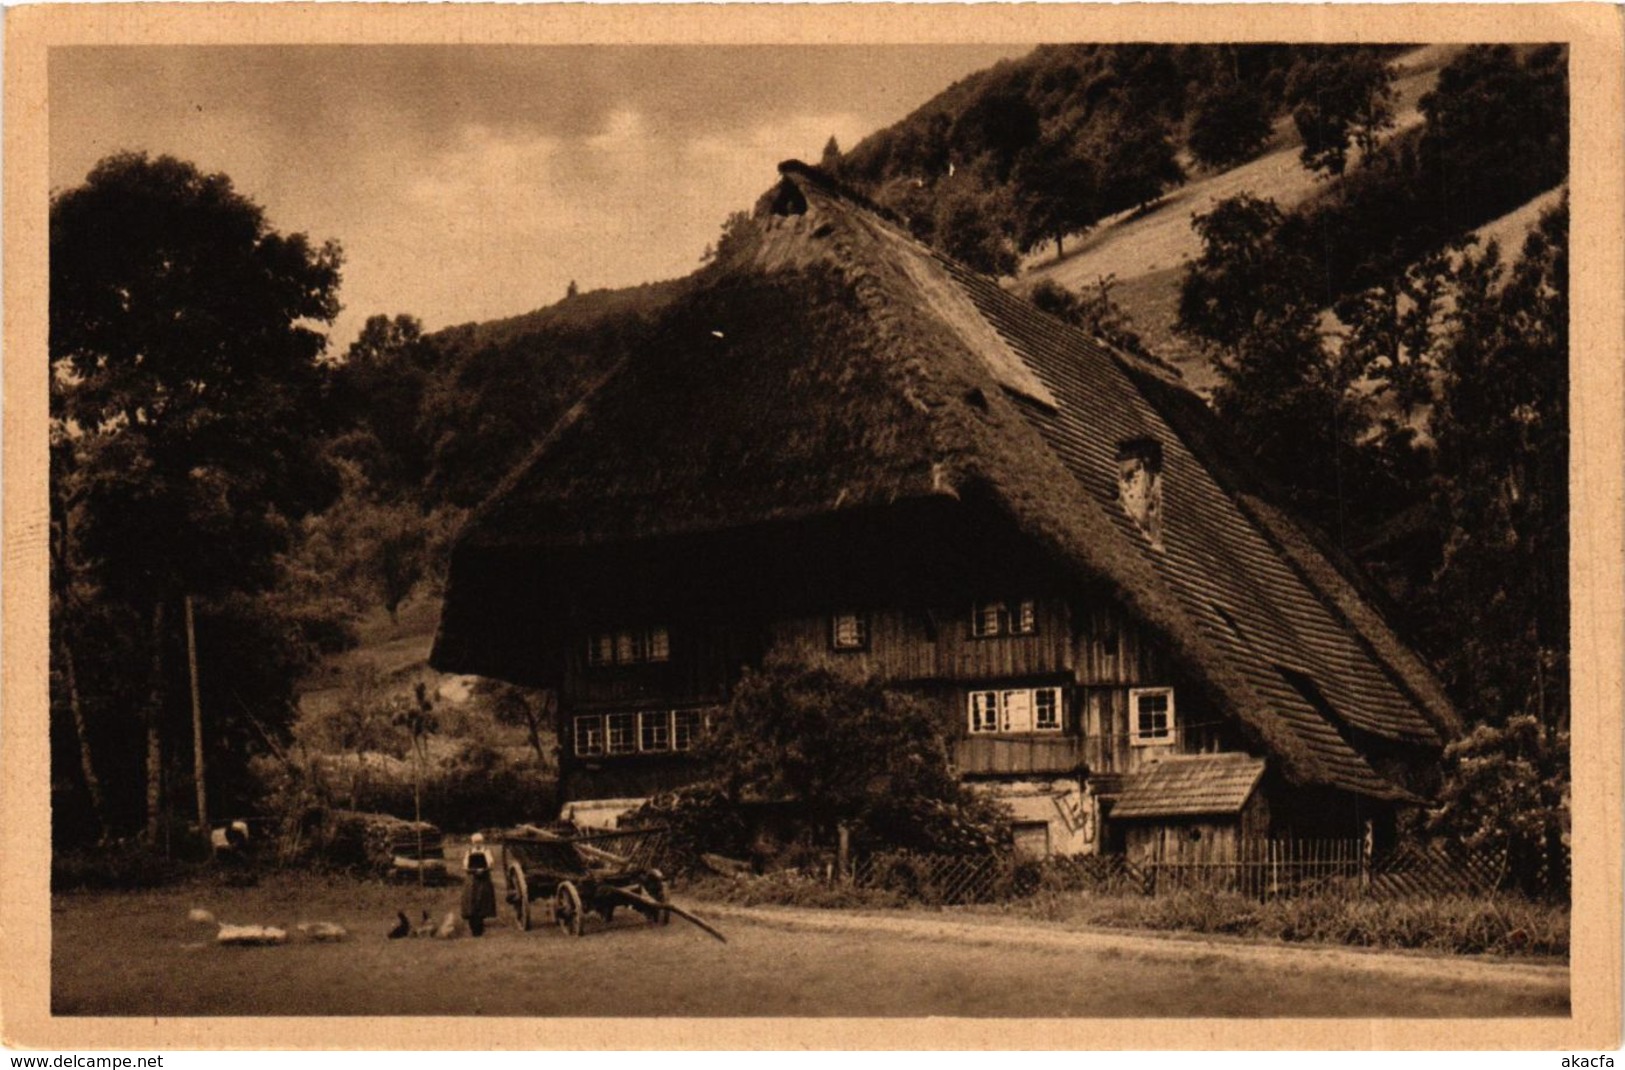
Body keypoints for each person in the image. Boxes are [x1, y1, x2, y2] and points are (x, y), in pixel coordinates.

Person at [460, 833, 497, 936]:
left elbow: (491, 864)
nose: (477, 844)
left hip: (484, 878)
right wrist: (472, 869)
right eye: (475, 842)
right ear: (472, 842)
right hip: (472, 878)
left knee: (482, 901)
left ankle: (480, 925)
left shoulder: (486, 851)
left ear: (482, 842)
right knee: (472, 901)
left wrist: (484, 868)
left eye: (479, 842)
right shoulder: (469, 852)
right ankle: (473, 926)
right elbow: (465, 866)